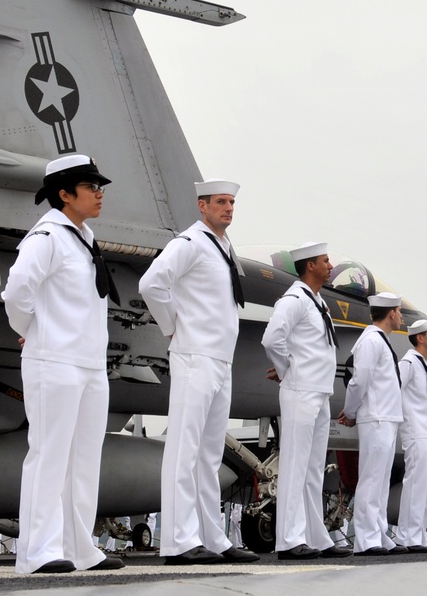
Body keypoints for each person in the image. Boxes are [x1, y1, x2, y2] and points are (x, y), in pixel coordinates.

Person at [2, 153, 124, 574]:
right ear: (65, 194)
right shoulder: (47, 237)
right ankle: (38, 551)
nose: (99, 193)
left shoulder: (83, 237)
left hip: (89, 363)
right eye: (91, 187)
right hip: (53, 359)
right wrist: (35, 329)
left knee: (84, 459)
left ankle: (79, 546)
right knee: (49, 455)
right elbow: (17, 291)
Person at [139, 179, 258, 565]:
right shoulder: (189, 243)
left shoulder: (221, 247)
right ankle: (177, 540)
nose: (228, 208)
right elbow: (151, 284)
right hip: (194, 355)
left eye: (232, 202)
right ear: (202, 206)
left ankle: (213, 536)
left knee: (208, 455)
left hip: (220, 359)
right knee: (184, 451)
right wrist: (174, 327)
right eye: (221, 202)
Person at [261, 242, 351, 560]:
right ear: (310, 265)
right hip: (300, 391)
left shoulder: (318, 303)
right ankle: (288, 540)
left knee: (313, 470)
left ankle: (317, 536)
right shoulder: (296, 299)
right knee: (295, 466)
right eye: (326, 261)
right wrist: (288, 370)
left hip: (319, 392)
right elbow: (272, 337)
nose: (330, 266)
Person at [338, 292, 407, 556]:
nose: (401, 316)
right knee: (370, 479)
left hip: (386, 417)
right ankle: (365, 539)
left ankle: (378, 534)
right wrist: (351, 411)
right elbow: (359, 380)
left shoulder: (381, 341)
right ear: (390, 313)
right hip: (376, 418)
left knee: (380, 480)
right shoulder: (370, 341)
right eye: (399, 311)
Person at [391, 319, 427, 553]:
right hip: (415, 430)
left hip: (426, 431)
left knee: (423, 484)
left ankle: (417, 535)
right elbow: (394, 389)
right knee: (414, 483)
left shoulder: (423, 365)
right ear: (420, 338)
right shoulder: (409, 363)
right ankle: (405, 536)